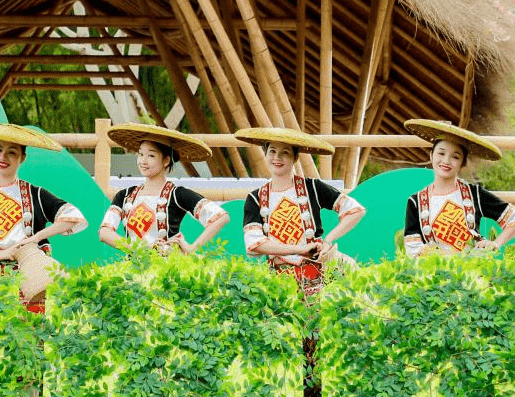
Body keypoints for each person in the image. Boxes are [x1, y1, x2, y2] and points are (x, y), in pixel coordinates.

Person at [0, 122, 87, 310]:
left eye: (12, 152)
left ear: (22, 158)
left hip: (30, 277)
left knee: (31, 334)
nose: (3, 157)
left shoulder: (35, 193)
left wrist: (35, 239)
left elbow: (72, 216)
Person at [237, 126, 364, 297]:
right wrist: (298, 249)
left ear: (295, 157)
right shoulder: (255, 198)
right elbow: (254, 244)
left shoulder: (312, 187)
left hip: (319, 276)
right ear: (265, 154)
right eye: (272, 151)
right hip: (280, 283)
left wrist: (329, 240)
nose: (277, 158)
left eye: (285, 152)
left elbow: (355, 210)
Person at [401, 119, 515, 257]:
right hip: (435, 273)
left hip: (474, 271)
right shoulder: (416, 201)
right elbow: (412, 247)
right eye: (441, 153)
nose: (446, 161)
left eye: (455, 156)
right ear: (431, 155)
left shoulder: (475, 194)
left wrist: (496, 243)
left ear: (462, 163)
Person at [98, 123, 228, 255]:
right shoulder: (124, 195)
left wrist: (191, 248)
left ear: (166, 161)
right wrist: (140, 248)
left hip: (167, 271)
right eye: (141, 154)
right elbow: (104, 232)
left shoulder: (177, 194)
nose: (143, 161)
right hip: (133, 269)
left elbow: (220, 217)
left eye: (151, 156)